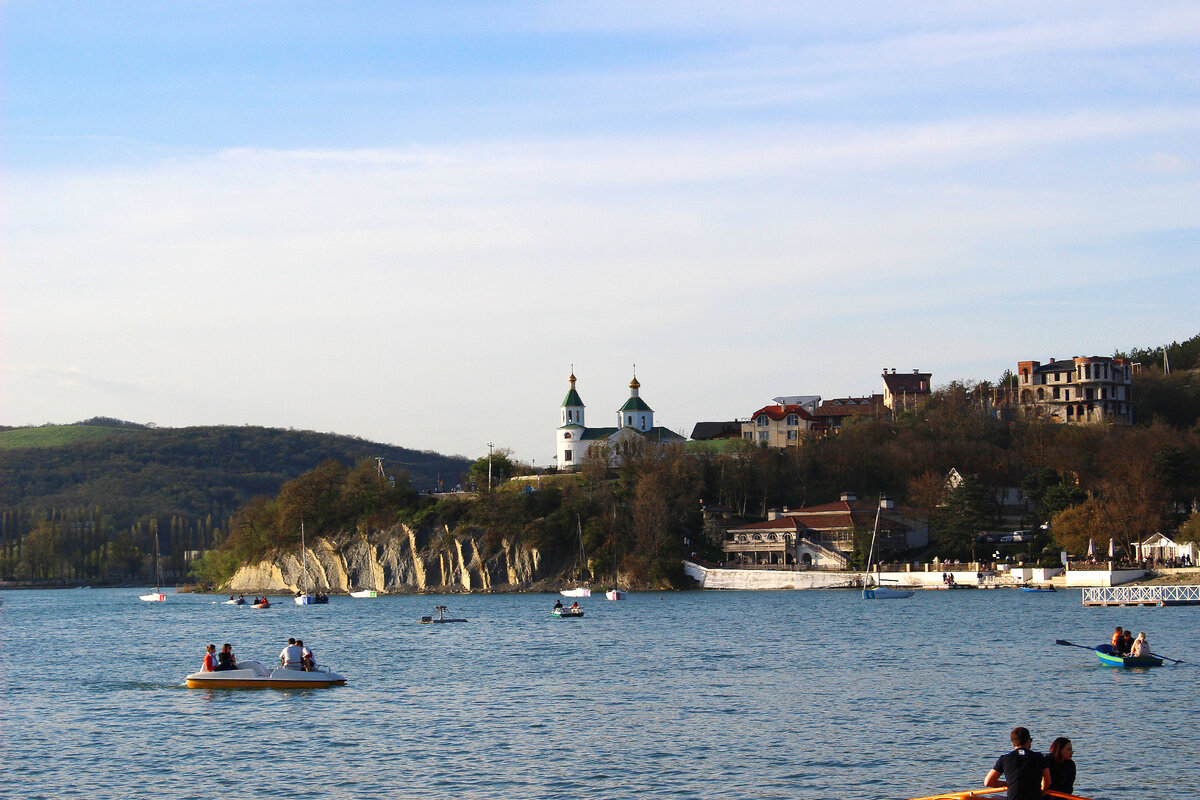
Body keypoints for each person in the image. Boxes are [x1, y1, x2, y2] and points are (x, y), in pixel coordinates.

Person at [984, 726, 1049, 800]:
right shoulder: (1039, 757)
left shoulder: (1005, 758)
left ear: (1013, 742)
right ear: (1028, 741)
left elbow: (988, 782)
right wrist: (1041, 791)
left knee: (994, 797)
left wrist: (1008, 784)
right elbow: (1047, 782)